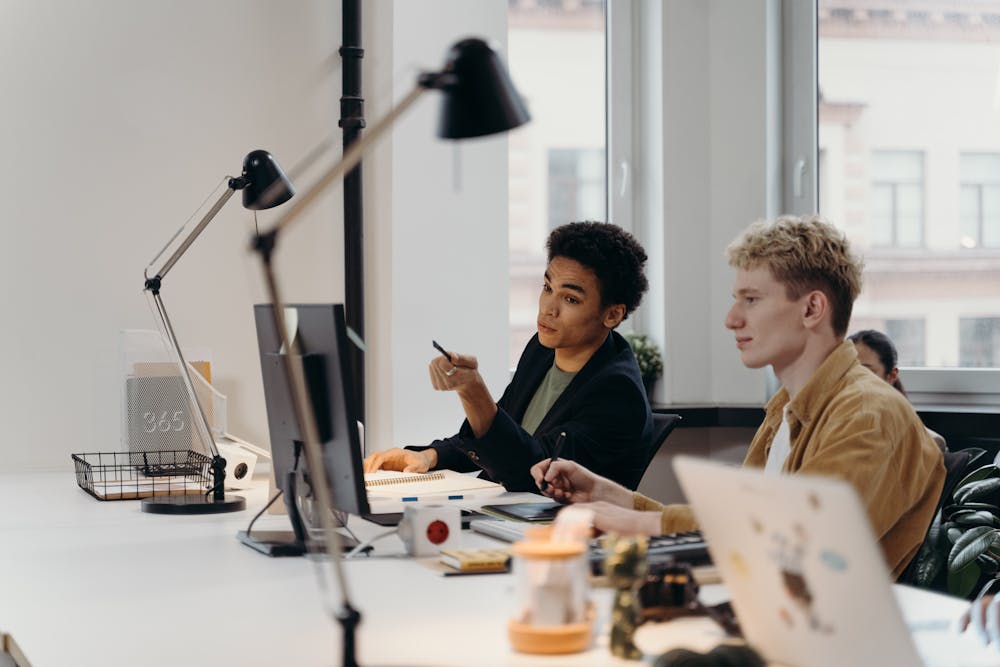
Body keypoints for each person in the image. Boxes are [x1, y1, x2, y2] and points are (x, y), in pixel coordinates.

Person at [533, 215, 945, 579]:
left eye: (751, 299)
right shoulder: (786, 408)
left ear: (812, 309)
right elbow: (742, 524)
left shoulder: (868, 412)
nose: (732, 319)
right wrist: (610, 496)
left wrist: (635, 524)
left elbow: (797, 540)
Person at [364, 221, 653, 493]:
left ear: (612, 314)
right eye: (547, 288)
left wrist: (473, 391)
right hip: (506, 517)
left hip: (562, 534)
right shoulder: (542, 351)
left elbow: (534, 473)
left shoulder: (618, 392)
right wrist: (429, 457)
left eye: (570, 299)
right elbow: (504, 436)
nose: (548, 309)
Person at [849, 328, 947, 452]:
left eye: (865, 372)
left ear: (891, 376)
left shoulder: (924, 442)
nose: (854, 380)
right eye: (848, 370)